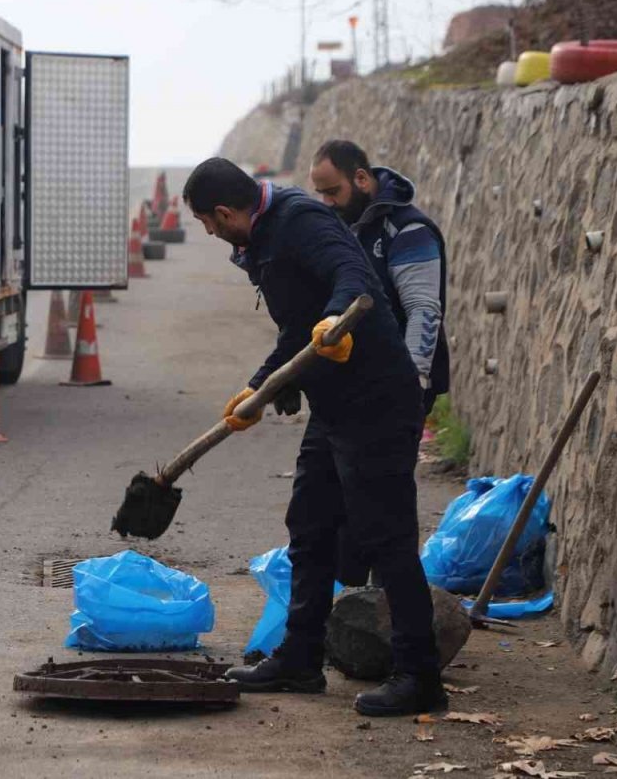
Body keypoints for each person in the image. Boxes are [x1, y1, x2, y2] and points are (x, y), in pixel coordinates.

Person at [181, 157, 445, 717]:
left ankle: (419, 676)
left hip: (377, 399)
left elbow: (353, 274)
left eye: (208, 222)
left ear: (226, 211)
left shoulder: (302, 221)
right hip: (334, 405)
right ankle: (300, 659)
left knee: (386, 539)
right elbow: (296, 330)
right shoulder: (265, 240)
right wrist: (257, 389)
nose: (211, 234)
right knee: (310, 522)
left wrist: (333, 320)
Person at [308, 140, 449, 414]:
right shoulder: (345, 225)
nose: (327, 202)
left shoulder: (408, 230)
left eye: (333, 191)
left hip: (397, 386)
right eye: (321, 194)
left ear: (360, 178)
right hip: (355, 382)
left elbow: (423, 310)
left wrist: (411, 385)